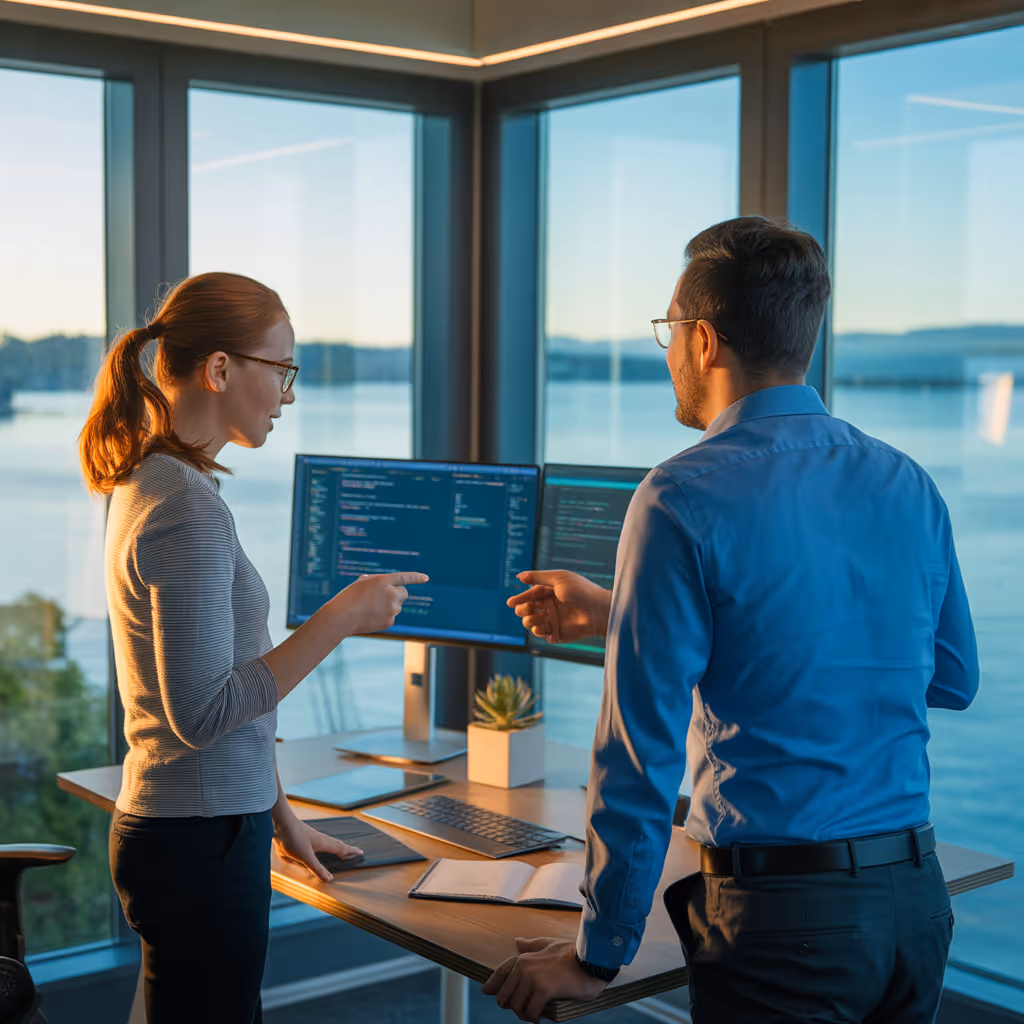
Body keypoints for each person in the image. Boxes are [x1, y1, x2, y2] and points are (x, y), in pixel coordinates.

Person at [483, 218, 978, 1024]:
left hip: (785, 925)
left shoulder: (681, 493)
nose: (668, 352)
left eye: (669, 331)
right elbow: (951, 677)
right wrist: (622, 614)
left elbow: (637, 756)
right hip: (915, 904)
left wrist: (595, 954)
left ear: (704, 341)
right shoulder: (906, 480)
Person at [78, 272, 427, 1024]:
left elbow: (219, 700)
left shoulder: (153, 482)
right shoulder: (186, 508)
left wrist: (284, 819)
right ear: (221, 369)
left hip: (195, 830)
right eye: (283, 371)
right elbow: (203, 713)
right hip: (198, 843)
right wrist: (339, 617)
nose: (289, 395)